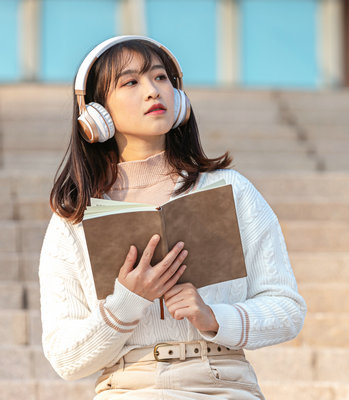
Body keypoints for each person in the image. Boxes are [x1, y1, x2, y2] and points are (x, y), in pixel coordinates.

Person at [39, 35, 306, 399]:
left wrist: (214, 317)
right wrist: (125, 305)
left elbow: (286, 309)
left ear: (178, 97)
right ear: (97, 113)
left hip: (222, 383)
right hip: (127, 388)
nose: (152, 91)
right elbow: (65, 357)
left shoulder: (230, 189)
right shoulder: (75, 218)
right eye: (131, 82)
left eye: (160, 77)